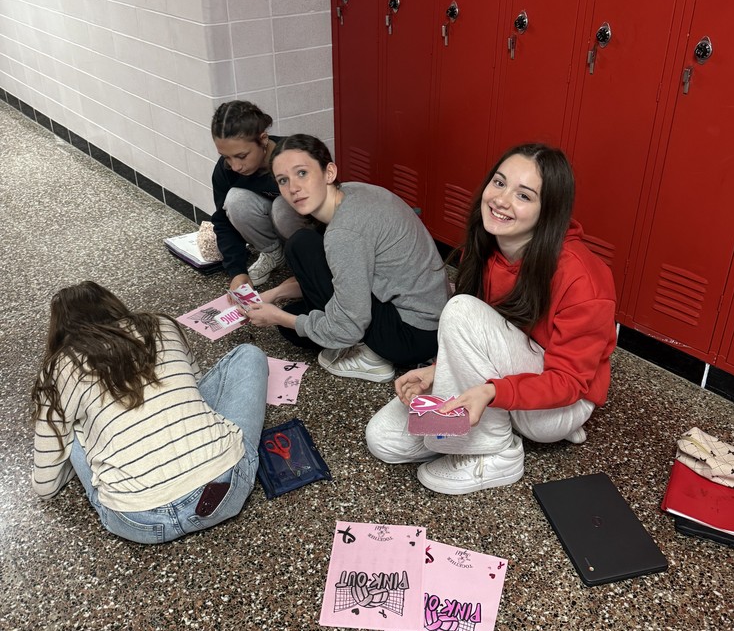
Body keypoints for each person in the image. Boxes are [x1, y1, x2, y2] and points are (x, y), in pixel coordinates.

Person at [365, 143, 617, 495]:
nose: (501, 199)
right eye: (499, 183)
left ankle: (499, 451)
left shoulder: (583, 277)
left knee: (460, 309)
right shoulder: (487, 248)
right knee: (383, 439)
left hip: (558, 407)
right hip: (504, 384)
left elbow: (570, 382)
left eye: (524, 196)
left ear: (549, 212)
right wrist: (436, 371)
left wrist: (492, 391)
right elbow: (479, 338)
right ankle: (492, 424)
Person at [31, 281, 268, 544]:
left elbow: (46, 484)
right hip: (228, 488)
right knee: (248, 354)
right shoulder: (160, 324)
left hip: (138, 520)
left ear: (59, 331)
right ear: (113, 304)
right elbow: (196, 386)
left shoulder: (57, 368)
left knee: (69, 429)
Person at [245, 134, 450, 382]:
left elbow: (346, 327)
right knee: (302, 262)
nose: (293, 188)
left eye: (302, 173)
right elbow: (344, 273)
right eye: (283, 180)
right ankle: (349, 336)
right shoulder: (354, 192)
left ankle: (373, 357)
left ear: (329, 172)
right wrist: (276, 294)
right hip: (433, 318)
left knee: (292, 320)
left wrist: (276, 316)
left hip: (410, 336)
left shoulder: (343, 233)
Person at [210, 100, 310, 290]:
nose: (235, 166)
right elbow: (223, 222)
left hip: (308, 236)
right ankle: (273, 254)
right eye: (226, 157)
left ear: (263, 139)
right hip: (273, 232)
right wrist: (237, 271)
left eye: (241, 156)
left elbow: (327, 214)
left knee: (283, 205)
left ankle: (303, 259)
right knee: (235, 200)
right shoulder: (226, 170)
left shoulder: (296, 158)